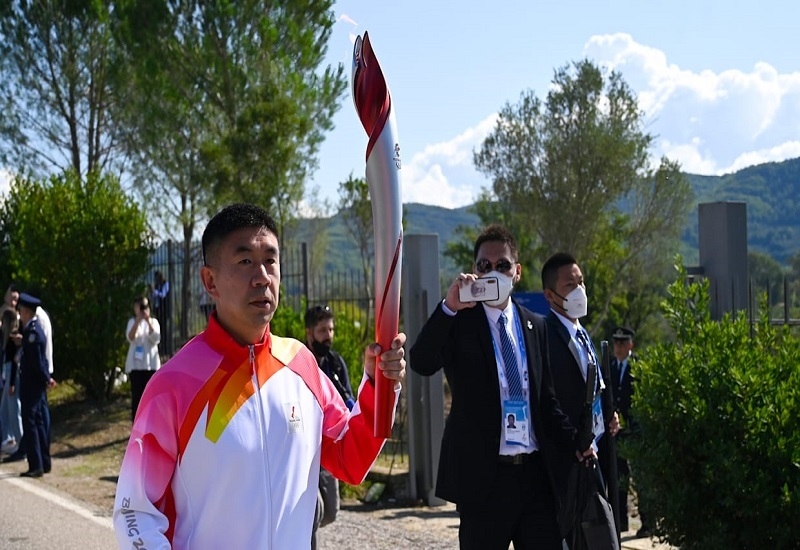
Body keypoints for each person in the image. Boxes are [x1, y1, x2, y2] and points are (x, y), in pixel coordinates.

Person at [113, 203, 407, 549]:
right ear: (210, 281)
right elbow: (135, 513)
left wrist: (378, 384)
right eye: (245, 261)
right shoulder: (175, 384)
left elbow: (350, 457)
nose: (262, 276)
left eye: (270, 260)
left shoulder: (300, 364)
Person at [410, 224, 594, 550]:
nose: (493, 271)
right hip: (485, 481)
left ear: (517, 272)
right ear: (475, 270)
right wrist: (449, 307)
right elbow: (422, 361)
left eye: (502, 265)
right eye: (484, 265)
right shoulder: (460, 322)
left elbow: (546, 401)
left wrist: (575, 441)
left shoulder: (535, 325)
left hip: (535, 477)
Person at [540, 252, 620, 534]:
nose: (580, 291)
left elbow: (594, 385)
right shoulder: (546, 335)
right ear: (550, 295)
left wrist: (608, 413)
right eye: (570, 285)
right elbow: (548, 400)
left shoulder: (581, 333)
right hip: (569, 459)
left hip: (595, 450)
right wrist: (574, 441)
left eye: (581, 282)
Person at [304, 304, 356, 549]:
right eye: (323, 330)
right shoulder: (300, 362)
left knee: (330, 511)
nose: (328, 336)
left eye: (331, 330)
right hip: (306, 451)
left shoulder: (335, 363)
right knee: (312, 513)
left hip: (329, 448)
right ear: (309, 333)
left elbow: (348, 399)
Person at [609, 326, 651, 537]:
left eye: (622, 343)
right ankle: (620, 522)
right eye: (616, 343)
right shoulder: (610, 367)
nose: (618, 347)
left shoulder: (638, 366)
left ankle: (648, 522)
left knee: (640, 477)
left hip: (635, 431)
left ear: (630, 345)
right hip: (617, 432)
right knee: (619, 477)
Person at [15, 293, 51, 477]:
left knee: (31, 424)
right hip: (35, 384)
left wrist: (46, 378)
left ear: (27, 312)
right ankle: (43, 462)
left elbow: (37, 361)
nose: (20, 314)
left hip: (32, 385)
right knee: (38, 422)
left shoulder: (32, 332)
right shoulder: (34, 330)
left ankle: (36, 464)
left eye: (21, 311)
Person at [124, 296, 161, 421]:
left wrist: (148, 321)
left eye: (144, 307)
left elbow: (156, 338)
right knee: (137, 397)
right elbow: (130, 337)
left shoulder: (154, 322)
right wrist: (137, 321)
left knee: (151, 397)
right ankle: (137, 423)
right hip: (136, 366)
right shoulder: (132, 322)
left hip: (151, 366)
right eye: (139, 307)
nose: (142, 310)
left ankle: (152, 422)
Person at [0, 308, 22, 454]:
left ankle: (21, 440)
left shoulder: (13, 338)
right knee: (4, 410)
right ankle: (8, 438)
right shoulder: (7, 337)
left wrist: (12, 383)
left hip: (12, 373)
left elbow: (14, 362)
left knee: (14, 410)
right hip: (7, 372)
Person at [150, 270, 171, 354]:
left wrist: (155, 292)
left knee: (164, 329)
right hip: (158, 309)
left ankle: (166, 348)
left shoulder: (166, 284)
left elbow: (163, 295)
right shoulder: (157, 285)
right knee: (159, 328)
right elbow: (154, 298)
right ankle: (160, 348)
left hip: (164, 310)